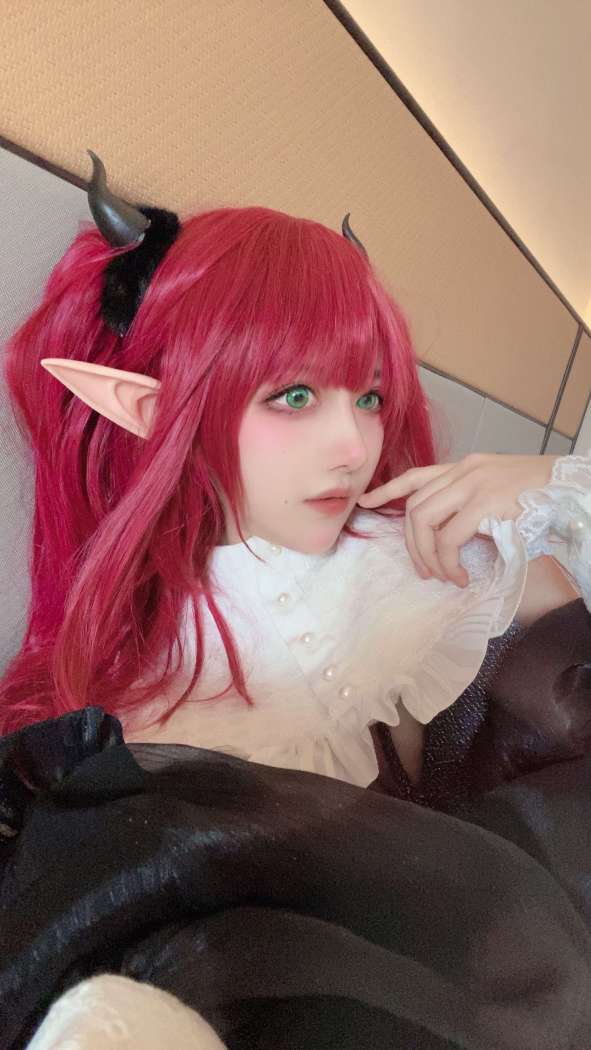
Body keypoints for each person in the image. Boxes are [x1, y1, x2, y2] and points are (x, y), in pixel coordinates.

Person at [0, 151, 588, 800]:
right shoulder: (134, 696)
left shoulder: (410, 551)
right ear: (149, 409)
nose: (355, 448)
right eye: (295, 396)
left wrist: (556, 482)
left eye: (369, 398)